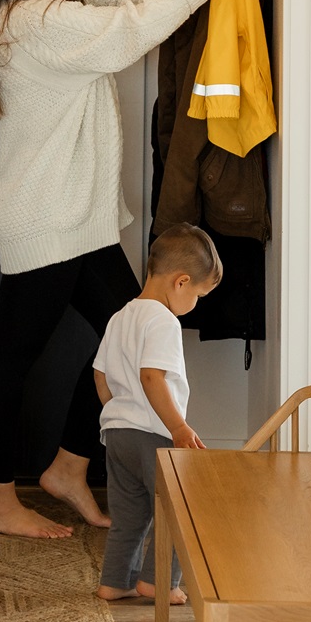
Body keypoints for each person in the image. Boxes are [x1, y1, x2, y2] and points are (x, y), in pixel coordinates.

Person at [0, 0, 254, 539]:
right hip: (47, 225)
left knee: (130, 335)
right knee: (11, 363)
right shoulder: (35, 23)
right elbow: (132, 29)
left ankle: (68, 468)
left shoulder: (57, 4)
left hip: (80, 224)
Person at [92, 223, 223, 602]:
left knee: (129, 516)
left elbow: (100, 373)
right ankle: (158, 583)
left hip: (116, 435)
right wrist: (178, 427)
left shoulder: (121, 316)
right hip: (154, 435)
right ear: (181, 283)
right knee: (182, 509)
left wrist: (118, 412)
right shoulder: (164, 320)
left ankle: (115, 582)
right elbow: (152, 377)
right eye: (199, 294)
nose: (195, 304)